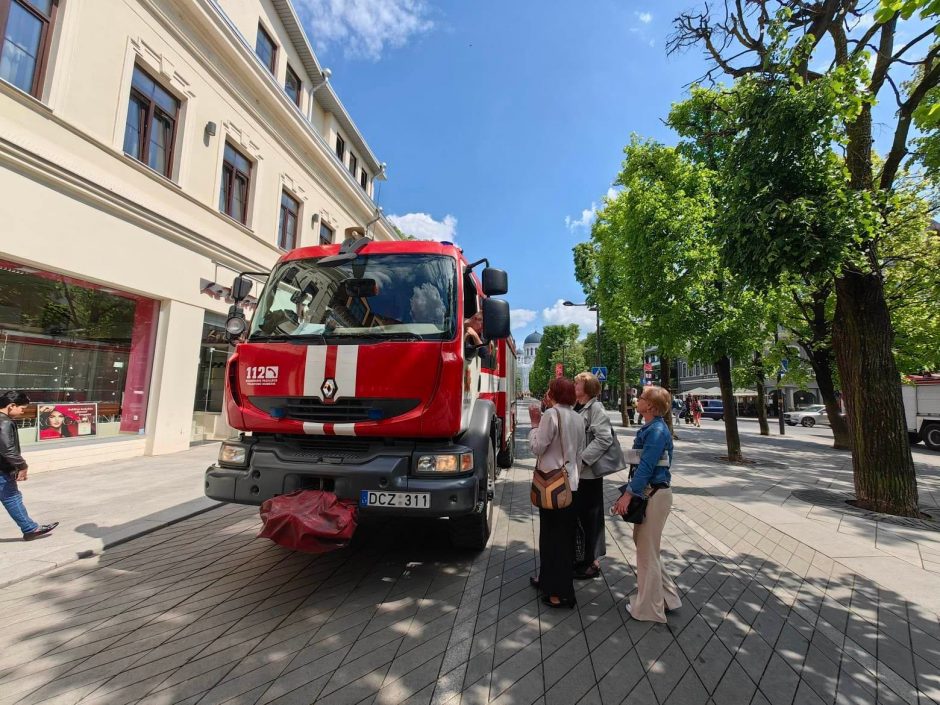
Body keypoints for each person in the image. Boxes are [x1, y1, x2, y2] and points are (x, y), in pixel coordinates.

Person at [613, 385, 681, 622]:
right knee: (648, 549)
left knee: (646, 554)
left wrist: (628, 495)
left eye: (641, 398)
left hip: (654, 494)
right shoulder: (654, 428)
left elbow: (646, 467)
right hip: (653, 493)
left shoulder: (657, 431)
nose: (637, 399)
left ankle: (649, 609)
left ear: (650, 406)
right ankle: (668, 598)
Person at [528, 377, 586, 608]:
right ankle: (549, 581)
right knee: (564, 538)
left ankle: (556, 591)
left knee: (551, 538)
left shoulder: (550, 415)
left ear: (554, 394)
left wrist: (534, 425)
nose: (547, 393)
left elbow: (537, 447)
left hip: (551, 484)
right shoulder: (577, 417)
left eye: (549, 389)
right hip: (571, 483)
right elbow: (579, 451)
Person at [0, 392, 58, 541]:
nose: (22, 411)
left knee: (11, 497)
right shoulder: (4, 421)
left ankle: (30, 528)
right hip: (2, 470)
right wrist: (22, 465)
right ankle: (30, 529)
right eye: (22, 408)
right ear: (11, 406)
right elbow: (7, 449)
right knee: (12, 497)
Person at [573, 372, 613, 580]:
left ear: (587, 388)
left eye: (578, 383)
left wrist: (582, 460)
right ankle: (582, 557)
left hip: (588, 475)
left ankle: (592, 561)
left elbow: (605, 438)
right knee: (580, 517)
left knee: (591, 518)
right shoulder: (578, 406)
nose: (574, 385)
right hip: (578, 474)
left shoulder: (595, 408)